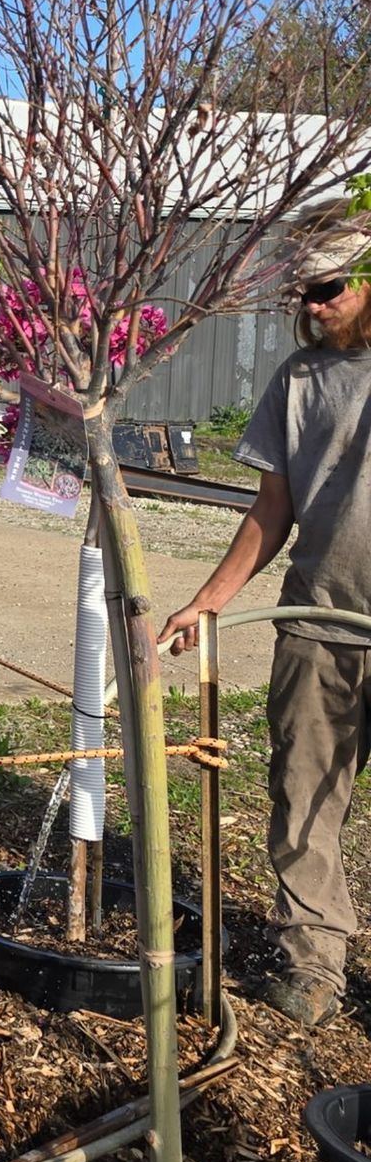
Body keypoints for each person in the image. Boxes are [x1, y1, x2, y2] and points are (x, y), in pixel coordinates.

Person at [161, 208, 371, 1028]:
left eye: (327, 289)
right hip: (319, 623)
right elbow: (271, 508)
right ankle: (314, 964)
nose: (312, 307)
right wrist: (209, 601)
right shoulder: (299, 379)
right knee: (306, 800)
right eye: (302, 294)